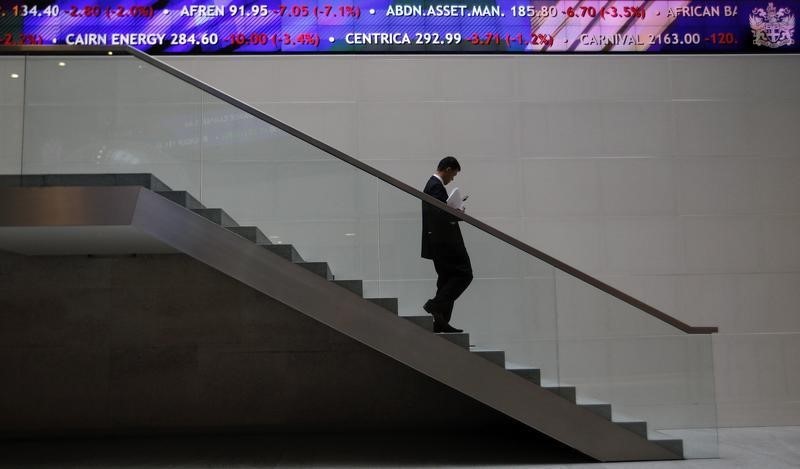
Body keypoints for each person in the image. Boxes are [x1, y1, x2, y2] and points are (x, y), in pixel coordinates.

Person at [421, 156, 473, 333]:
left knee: (446, 281)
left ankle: (441, 322)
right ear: (448, 169)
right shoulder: (435, 186)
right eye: (454, 174)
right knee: (464, 274)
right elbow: (440, 215)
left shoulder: (432, 186)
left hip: (439, 244)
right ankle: (435, 306)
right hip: (445, 244)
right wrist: (456, 212)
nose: (452, 179)